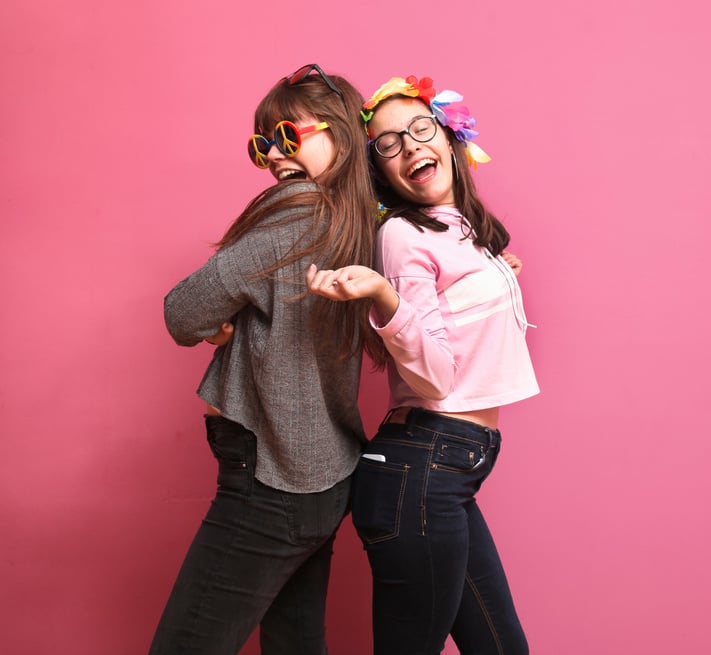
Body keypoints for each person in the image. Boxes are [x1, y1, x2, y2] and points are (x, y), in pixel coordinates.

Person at [150, 64, 382, 655]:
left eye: (288, 135)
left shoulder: (294, 217)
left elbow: (182, 312)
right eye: (262, 144)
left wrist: (214, 322)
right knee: (296, 643)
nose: (274, 155)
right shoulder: (361, 220)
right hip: (323, 476)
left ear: (340, 133)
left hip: (270, 481)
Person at [306, 75, 539, 655]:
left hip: (447, 469)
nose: (410, 147)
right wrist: (386, 296)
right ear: (380, 171)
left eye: (420, 128)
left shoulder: (460, 229)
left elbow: (455, 316)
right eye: (388, 144)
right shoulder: (404, 235)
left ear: (449, 136)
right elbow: (433, 377)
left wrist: (497, 275)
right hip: (424, 466)